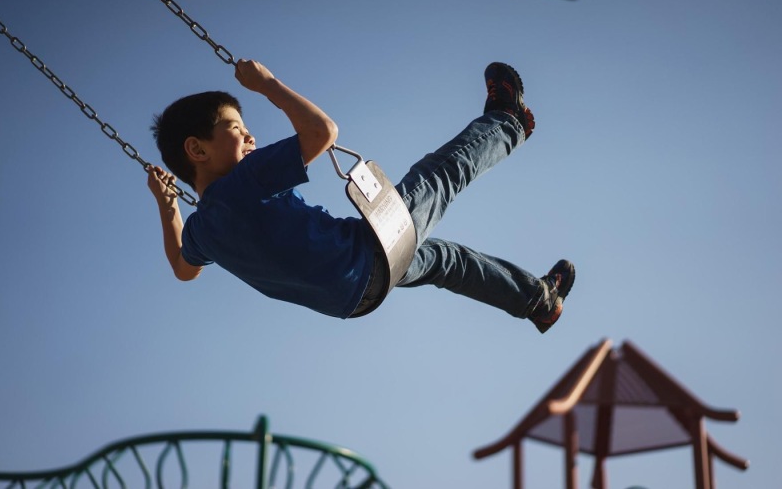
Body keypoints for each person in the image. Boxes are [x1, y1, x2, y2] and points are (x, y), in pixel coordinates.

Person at [147, 59, 574, 333]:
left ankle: (538, 300)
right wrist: (268, 85)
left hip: (352, 297)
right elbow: (321, 132)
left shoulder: (202, 229)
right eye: (235, 128)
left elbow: (184, 269)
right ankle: (509, 122)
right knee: (438, 177)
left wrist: (168, 209)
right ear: (197, 149)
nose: (249, 134)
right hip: (364, 257)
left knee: (447, 261)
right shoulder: (243, 183)